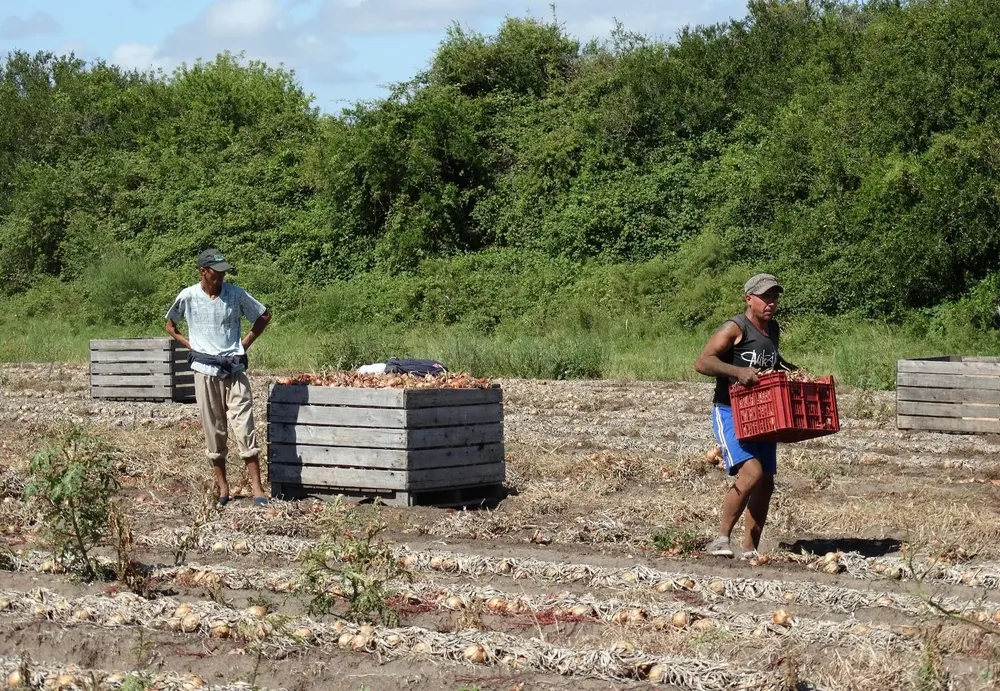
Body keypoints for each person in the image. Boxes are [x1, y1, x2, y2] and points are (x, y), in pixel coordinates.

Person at [694, 273, 796, 559]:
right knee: (751, 473)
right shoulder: (734, 327)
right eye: (765, 297)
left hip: (762, 413)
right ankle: (721, 539)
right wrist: (738, 372)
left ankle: (750, 550)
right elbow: (702, 362)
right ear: (749, 299)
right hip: (729, 410)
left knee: (766, 481)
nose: (771, 303)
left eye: (775, 297)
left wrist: (794, 371)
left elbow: (773, 362)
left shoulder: (772, 330)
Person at [165, 248, 272, 507]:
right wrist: (190, 345)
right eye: (217, 271)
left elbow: (264, 315)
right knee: (214, 430)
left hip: (234, 370)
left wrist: (245, 343)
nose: (222, 276)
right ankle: (223, 488)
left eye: (224, 271)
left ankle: (258, 489)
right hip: (205, 371)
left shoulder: (234, 294)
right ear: (204, 271)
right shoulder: (188, 296)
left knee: (245, 425)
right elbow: (170, 324)